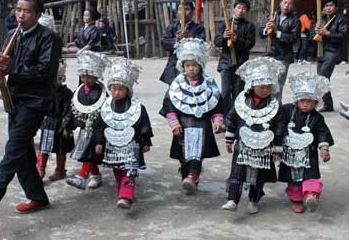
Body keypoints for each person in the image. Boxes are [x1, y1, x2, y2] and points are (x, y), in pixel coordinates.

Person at [0, 0, 61, 215]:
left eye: (27, 11)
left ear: (37, 14)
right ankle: (38, 197)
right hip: (14, 97)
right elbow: (5, 63)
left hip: (37, 100)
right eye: (18, 9)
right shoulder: (13, 34)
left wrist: (11, 67)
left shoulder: (48, 38)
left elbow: (45, 72)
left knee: (14, 145)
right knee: (22, 150)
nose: (21, 15)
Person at [221, 57, 286, 214]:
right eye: (261, 87)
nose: (265, 90)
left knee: (259, 176)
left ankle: (253, 200)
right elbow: (232, 118)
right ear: (252, 85)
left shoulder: (275, 105)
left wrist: (277, 148)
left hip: (264, 148)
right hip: (242, 145)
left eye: (268, 87)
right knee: (237, 172)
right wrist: (229, 138)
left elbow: (279, 125)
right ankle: (232, 200)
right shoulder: (241, 101)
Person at [160, 38, 224, 195]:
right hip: (183, 126)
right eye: (187, 65)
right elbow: (169, 105)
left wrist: (217, 120)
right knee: (184, 155)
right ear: (182, 66)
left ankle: (193, 175)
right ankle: (187, 177)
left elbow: (216, 104)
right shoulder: (176, 84)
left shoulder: (209, 84)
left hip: (202, 126)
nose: (191, 69)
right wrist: (174, 123)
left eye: (194, 65)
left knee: (198, 153)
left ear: (200, 66)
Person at [94, 58, 153, 209]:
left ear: (128, 89)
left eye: (120, 89)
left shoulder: (138, 107)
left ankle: (126, 196)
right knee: (117, 169)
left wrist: (146, 141)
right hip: (112, 146)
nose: (117, 92)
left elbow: (144, 124)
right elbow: (100, 125)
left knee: (129, 170)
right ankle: (122, 188)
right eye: (113, 88)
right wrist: (99, 142)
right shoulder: (105, 106)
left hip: (132, 144)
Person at [278, 71, 333, 213]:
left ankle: (310, 196)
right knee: (294, 179)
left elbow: (322, 133)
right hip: (289, 153)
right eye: (303, 101)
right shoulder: (287, 110)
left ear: (316, 102)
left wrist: (324, 149)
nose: (305, 105)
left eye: (310, 102)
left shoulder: (317, 117)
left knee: (311, 175)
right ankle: (297, 200)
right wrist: (276, 145)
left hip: (309, 154)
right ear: (297, 100)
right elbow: (279, 125)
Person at [66, 51, 109, 190]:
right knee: (86, 152)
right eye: (83, 76)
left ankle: (81, 177)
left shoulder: (101, 93)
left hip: (96, 129)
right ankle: (95, 175)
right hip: (84, 128)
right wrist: (69, 124)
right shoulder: (79, 90)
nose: (86, 79)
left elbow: (104, 112)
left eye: (89, 76)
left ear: (96, 76)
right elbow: (73, 107)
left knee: (89, 152)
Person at [215, 0, 255, 119]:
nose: (241, 10)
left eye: (244, 8)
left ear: (247, 11)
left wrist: (236, 39)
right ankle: (226, 118)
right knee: (226, 92)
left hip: (241, 64)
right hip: (225, 63)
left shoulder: (249, 26)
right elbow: (216, 41)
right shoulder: (225, 24)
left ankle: (236, 118)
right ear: (234, 9)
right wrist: (223, 37)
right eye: (238, 7)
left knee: (238, 92)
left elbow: (250, 44)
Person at [36, 56, 74, 182]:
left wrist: (66, 123)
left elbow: (69, 109)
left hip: (61, 124)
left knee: (60, 149)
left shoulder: (67, 93)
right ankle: (40, 169)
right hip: (48, 122)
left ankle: (60, 170)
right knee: (44, 147)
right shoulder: (45, 91)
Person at [260, 0, 301, 102]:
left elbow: (293, 38)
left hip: (284, 56)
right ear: (280, 3)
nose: (286, 5)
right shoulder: (273, 16)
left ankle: (277, 109)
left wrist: (277, 31)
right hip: (270, 54)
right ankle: (267, 107)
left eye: (289, 3)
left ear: (292, 6)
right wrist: (266, 29)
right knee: (267, 83)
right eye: (285, 2)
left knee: (278, 85)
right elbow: (261, 32)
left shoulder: (295, 21)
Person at [310, 0, 348, 112]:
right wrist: (315, 31)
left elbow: (343, 36)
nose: (328, 8)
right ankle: (328, 105)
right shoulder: (321, 20)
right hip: (321, 52)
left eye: (331, 5)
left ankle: (311, 103)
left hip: (332, 52)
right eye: (326, 6)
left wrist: (327, 33)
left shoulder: (340, 19)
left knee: (321, 78)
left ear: (335, 7)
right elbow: (310, 36)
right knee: (324, 79)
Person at [160, 2, 206, 85]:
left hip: (192, 66)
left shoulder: (199, 28)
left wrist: (190, 38)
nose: (183, 12)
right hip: (174, 65)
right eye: (180, 9)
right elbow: (164, 43)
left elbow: (202, 44)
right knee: (173, 93)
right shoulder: (172, 27)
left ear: (192, 11)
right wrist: (176, 40)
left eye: (187, 9)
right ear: (177, 11)